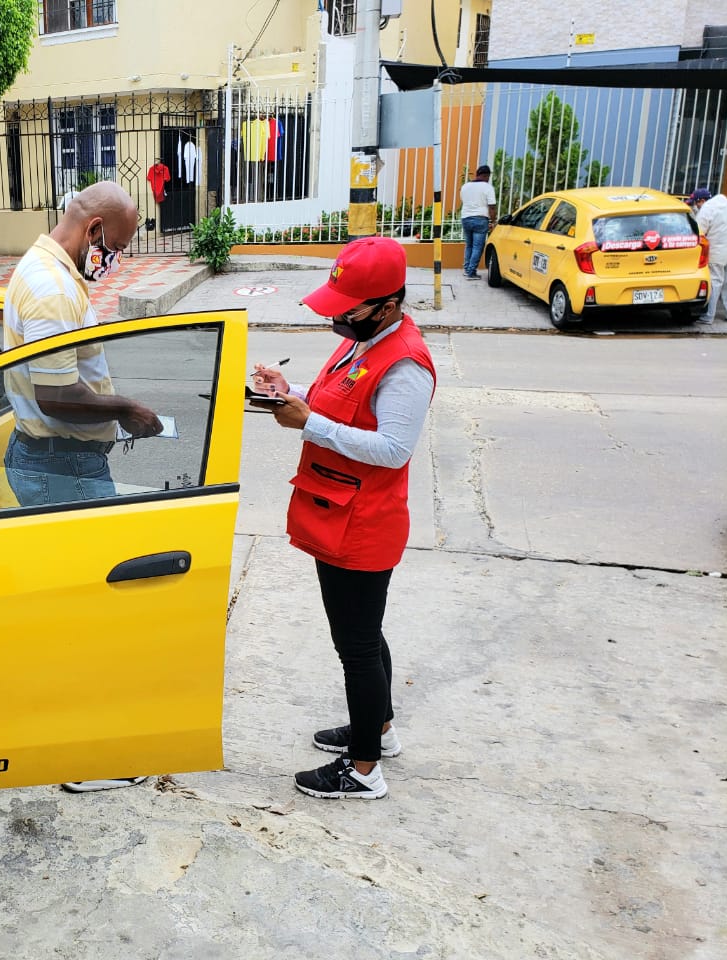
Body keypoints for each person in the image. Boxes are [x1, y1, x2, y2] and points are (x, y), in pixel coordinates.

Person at [252, 236, 436, 800]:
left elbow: (392, 449)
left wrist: (308, 424)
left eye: (348, 306)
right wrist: (291, 392)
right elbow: (340, 399)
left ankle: (363, 770)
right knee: (364, 635)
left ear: (387, 303)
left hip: (366, 522)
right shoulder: (364, 341)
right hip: (338, 510)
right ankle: (376, 729)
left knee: (355, 645)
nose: (338, 316)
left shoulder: (405, 364)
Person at [3, 180, 161, 793]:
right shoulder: (47, 287)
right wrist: (127, 409)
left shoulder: (52, 271)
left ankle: (74, 737)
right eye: (116, 248)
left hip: (59, 459)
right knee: (90, 613)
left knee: (74, 610)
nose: (114, 260)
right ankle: (87, 757)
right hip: (61, 462)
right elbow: (57, 396)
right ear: (94, 230)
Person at [690, 187, 727, 324]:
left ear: (702, 201)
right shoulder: (725, 203)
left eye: (696, 203)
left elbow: (699, 231)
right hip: (726, 249)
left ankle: (708, 316)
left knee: (715, 282)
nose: (696, 206)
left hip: (717, 252)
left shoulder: (707, 209)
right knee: (726, 283)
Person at [459, 164, 498, 280]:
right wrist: (493, 221)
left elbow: (464, 201)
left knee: (469, 245)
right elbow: (492, 207)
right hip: (480, 219)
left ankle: (467, 269)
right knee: (478, 246)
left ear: (477, 174)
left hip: (465, 218)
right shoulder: (488, 188)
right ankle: (471, 272)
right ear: (486, 176)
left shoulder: (465, 186)